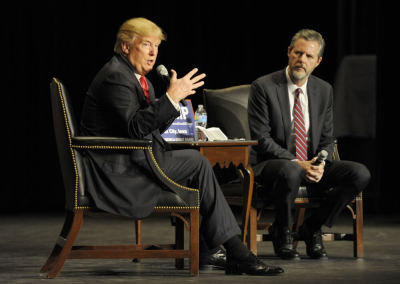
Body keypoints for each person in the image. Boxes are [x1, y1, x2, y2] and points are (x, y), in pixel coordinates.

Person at [80, 17, 283, 275]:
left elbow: (149, 129)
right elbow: (135, 128)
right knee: (197, 163)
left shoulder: (137, 78)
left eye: (156, 46)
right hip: (118, 172)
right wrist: (170, 99)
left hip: (137, 161)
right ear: (125, 47)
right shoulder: (116, 77)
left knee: (203, 167)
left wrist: (173, 104)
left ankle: (213, 251)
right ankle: (236, 253)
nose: (153, 52)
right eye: (146, 45)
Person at [248, 29, 371, 260]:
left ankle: (312, 227)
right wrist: (298, 163)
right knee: (292, 169)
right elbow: (261, 138)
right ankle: (282, 231)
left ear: (318, 61)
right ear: (289, 52)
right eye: (298, 53)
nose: (301, 60)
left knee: (360, 174)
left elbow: (326, 138)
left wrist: (320, 163)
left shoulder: (324, 90)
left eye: (308, 56)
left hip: (311, 162)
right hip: (273, 163)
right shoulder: (263, 87)